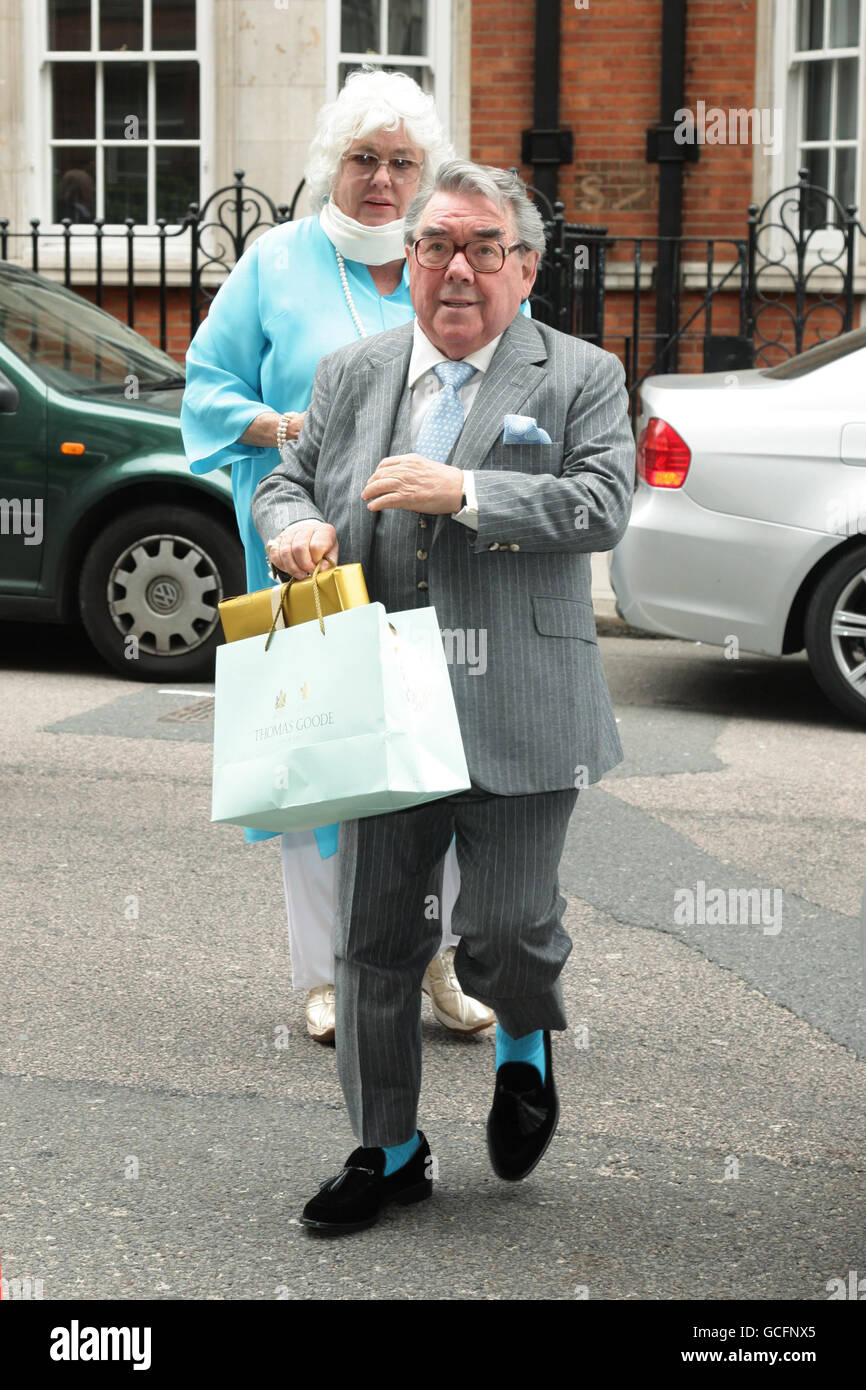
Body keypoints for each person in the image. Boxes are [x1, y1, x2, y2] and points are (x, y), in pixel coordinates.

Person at [253, 159, 635, 1233]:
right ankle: (389, 1147)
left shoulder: (578, 375)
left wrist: (464, 491)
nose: (456, 270)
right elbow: (290, 476)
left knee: (506, 929)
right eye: (434, 247)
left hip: (519, 694)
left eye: (482, 249)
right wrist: (290, 525)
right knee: (375, 938)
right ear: (406, 260)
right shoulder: (351, 372)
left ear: (523, 267)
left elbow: (603, 502)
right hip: (377, 702)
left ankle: (523, 1038)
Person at [180, 71, 494, 1044]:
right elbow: (205, 386)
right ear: (332, 166)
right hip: (304, 551)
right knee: (316, 763)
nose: (381, 179)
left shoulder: (443, 262)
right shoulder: (276, 262)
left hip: (427, 557)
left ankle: (435, 960)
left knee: (431, 759)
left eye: (402, 161)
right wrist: (281, 424)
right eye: (363, 158)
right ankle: (323, 977)